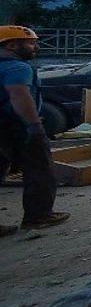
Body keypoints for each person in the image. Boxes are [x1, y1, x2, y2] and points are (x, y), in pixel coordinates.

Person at [0, 26, 68, 235]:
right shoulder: (17, 68)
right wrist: (34, 125)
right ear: (12, 45)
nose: (35, 47)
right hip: (17, 126)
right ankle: (38, 216)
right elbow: (19, 95)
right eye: (30, 43)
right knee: (40, 169)